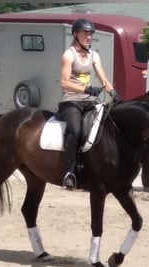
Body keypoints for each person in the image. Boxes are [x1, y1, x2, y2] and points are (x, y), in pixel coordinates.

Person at [56, 17, 119, 190]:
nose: (89, 37)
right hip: (71, 102)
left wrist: (112, 92)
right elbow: (64, 82)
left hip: (90, 102)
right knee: (76, 132)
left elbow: (102, 78)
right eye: (85, 33)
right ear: (76, 34)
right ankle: (68, 172)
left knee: (105, 128)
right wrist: (85, 89)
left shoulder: (94, 55)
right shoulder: (69, 55)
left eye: (91, 34)